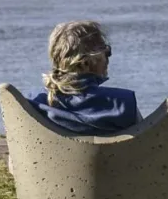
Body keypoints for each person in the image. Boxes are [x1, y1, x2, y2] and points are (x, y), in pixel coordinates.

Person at [10, 21, 141, 174]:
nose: (108, 59)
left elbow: (15, 167)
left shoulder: (31, 103)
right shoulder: (123, 104)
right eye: (107, 52)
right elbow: (148, 151)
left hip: (52, 194)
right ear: (90, 60)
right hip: (120, 192)